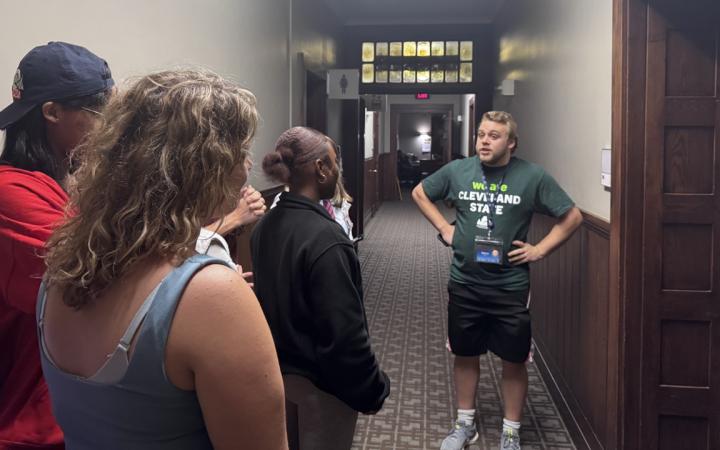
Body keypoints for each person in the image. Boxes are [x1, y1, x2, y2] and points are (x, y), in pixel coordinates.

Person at [38, 70, 287, 450]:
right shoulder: (212, 293)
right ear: (204, 168)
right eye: (240, 151)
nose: (248, 164)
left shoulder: (60, 268)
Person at [412, 111, 582, 450]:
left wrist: (539, 250)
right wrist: (444, 228)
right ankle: (464, 425)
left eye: (494, 136)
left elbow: (572, 217)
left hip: (510, 286)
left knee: (514, 358)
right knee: (464, 352)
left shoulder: (532, 176)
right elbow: (419, 193)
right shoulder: (459, 171)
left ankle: (510, 431)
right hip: (465, 281)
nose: (484, 141)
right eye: (481, 134)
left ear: (512, 143)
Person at [0, 41, 114, 450]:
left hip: (69, 411)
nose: (108, 128)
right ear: (51, 113)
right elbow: (91, 281)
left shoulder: (59, 182)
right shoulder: (10, 191)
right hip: (31, 425)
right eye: (101, 114)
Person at [251, 126, 389, 450]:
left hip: (278, 377)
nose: (338, 168)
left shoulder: (265, 226)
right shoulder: (327, 241)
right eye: (334, 161)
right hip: (322, 387)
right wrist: (373, 388)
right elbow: (344, 333)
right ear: (321, 168)